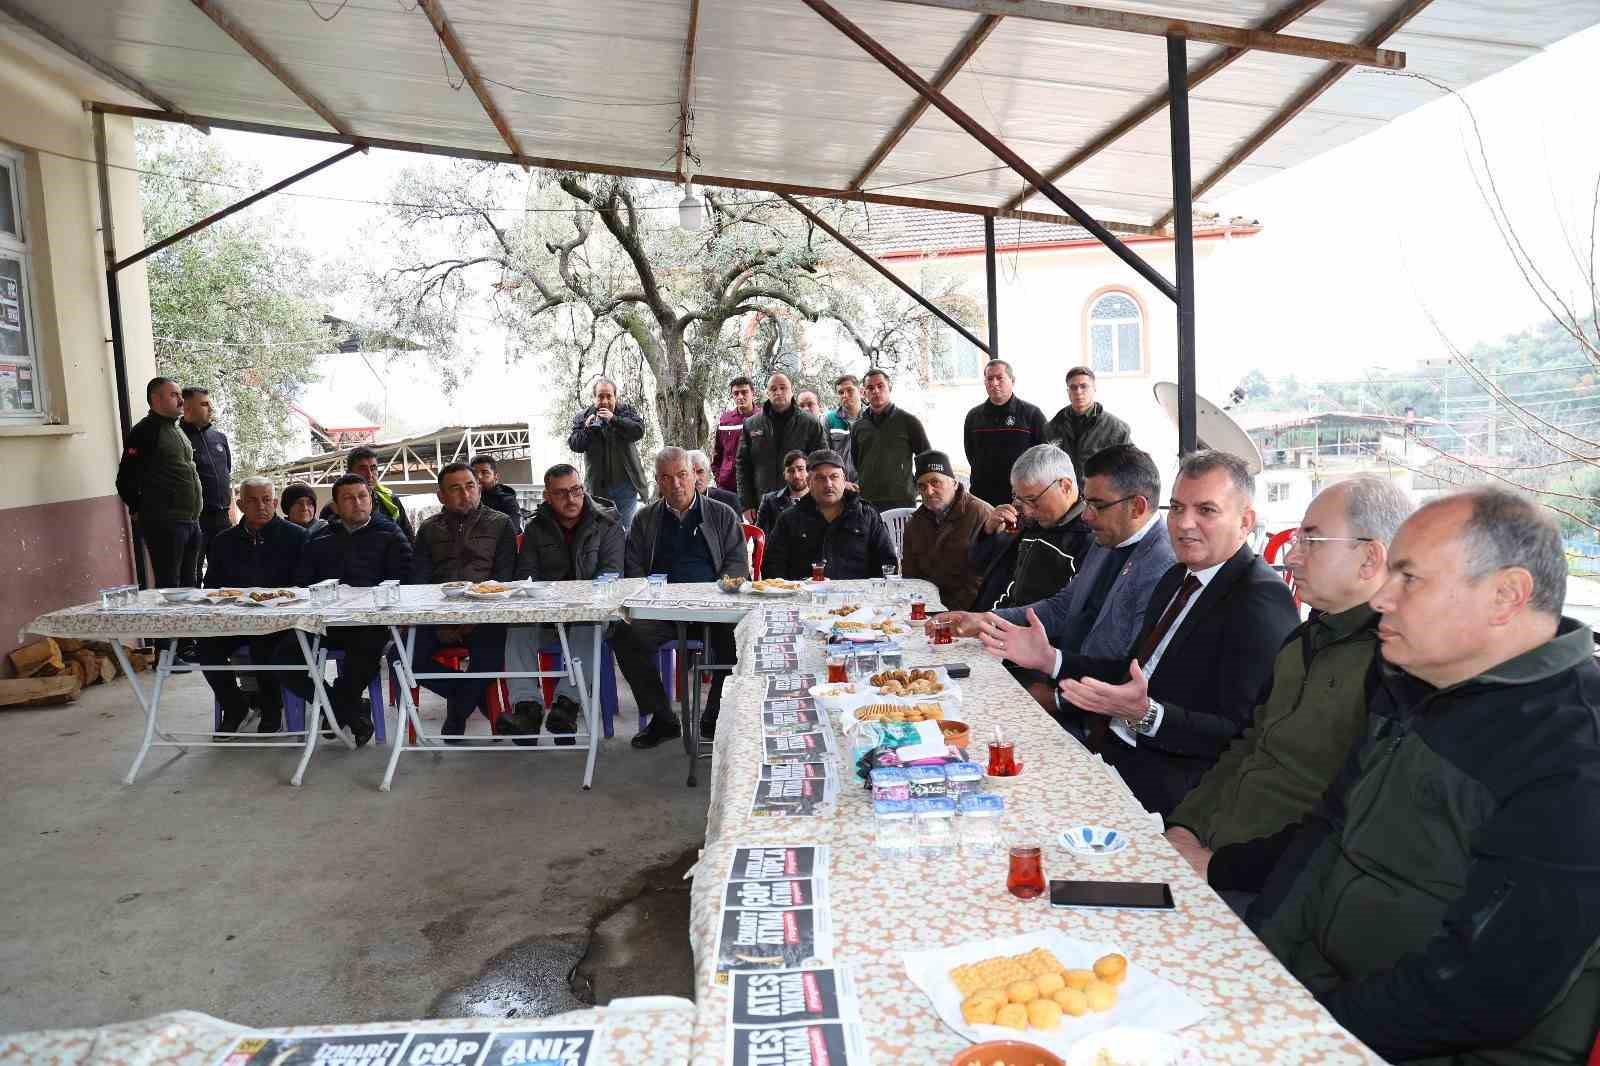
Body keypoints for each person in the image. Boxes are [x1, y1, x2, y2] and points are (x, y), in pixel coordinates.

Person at [1249, 489, 1600, 1065]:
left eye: (1409, 579)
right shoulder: (1410, 679)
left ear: (1506, 595)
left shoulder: (1572, 755)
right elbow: (1326, 836)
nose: (1382, 598)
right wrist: (1254, 965)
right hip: (1319, 996)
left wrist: (1304, 1030)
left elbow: (1485, 992)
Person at [1157, 477, 1413, 916]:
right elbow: (1248, 743)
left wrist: (1218, 868)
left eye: (1311, 541)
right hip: (1210, 852)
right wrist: (1185, 825)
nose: (1291, 557)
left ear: (1371, 557)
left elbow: (1344, 819)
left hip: (1276, 889)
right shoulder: (1304, 640)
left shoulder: (1396, 666)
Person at [1049, 450, 1300, 816]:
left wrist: (1146, 714)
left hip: (1172, 792)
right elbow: (1130, 670)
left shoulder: (1260, 597)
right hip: (1108, 756)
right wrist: (1051, 658)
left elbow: (1243, 733)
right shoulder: (1176, 578)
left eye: (1206, 511)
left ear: (1245, 522)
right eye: (1177, 508)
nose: (1184, 524)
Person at [971, 445, 1174, 711]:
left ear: (1136, 507)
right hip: (1060, 679)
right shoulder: (1107, 537)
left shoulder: (1165, 565)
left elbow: (1135, 671)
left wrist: (1058, 697)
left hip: (1091, 713)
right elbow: (1063, 606)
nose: (1087, 515)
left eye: (1097, 505)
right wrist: (986, 619)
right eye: (1087, 502)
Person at [615, 447, 749, 747]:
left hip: (713, 609)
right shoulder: (645, 519)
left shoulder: (722, 514)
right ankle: (663, 718)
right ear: (657, 482)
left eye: (682, 475)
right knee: (622, 634)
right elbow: (634, 570)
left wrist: (719, 594)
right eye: (666, 478)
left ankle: (714, 713)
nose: (676, 484)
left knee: (738, 635)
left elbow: (739, 566)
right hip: (661, 611)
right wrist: (649, 597)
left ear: (694, 475)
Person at [497, 464, 626, 746]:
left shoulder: (608, 525)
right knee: (518, 625)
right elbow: (525, 577)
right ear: (547, 496)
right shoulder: (536, 529)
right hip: (547, 615)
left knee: (587, 622)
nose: (571, 499)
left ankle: (566, 705)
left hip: (591, 614)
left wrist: (576, 601)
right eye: (561, 493)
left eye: (576, 490)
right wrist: (550, 602)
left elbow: (613, 574)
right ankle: (527, 710)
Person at [279, 474, 412, 745]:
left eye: (362, 497)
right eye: (348, 499)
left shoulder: (389, 533)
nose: (357, 503)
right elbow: (303, 582)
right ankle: (347, 709)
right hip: (325, 621)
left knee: (365, 652)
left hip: (369, 621)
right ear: (336, 507)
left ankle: (339, 708)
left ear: (371, 501)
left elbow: (405, 579)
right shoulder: (320, 538)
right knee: (283, 657)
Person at [409, 462, 517, 741]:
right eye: (455, 489)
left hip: (487, 615)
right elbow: (419, 583)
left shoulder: (501, 523)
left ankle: (457, 714)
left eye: (470, 486)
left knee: (489, 654)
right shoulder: (428, 529)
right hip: (438, 617)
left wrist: (473, 619)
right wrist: (440, 620)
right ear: (441, 496)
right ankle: (467, 695)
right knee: (403, 658)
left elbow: (505, 578)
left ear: (479, 488)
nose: (464, 494)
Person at [199, 476, 308, 736]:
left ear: (275, 502)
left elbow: (304, 584)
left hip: (280, 620)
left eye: (267, 500)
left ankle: (272, 709)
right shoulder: (224, 541)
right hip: (234, 619)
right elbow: (212, 586)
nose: (261, 506)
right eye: (253, 501)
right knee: (205, 647)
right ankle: (236, 706)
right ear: (240, 504)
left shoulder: (297, 537)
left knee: (263, 644)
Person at [965, 444, 1094, 614]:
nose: (1026, 510)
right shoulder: (1022, 522)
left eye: (1032, 500)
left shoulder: (1091, 538)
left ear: (1065, 487)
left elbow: (1066, 615)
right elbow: (977, 566)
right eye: (1017, 498)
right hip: (985, 620)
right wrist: (988, 533)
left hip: (1022, 633)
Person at [116, 376, 203, 589]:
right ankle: (171, 624)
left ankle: (190, 623)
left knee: (191, 584)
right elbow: (125, 478)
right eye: (174, 395)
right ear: (156, 399)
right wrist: (137, 508)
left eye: (180, 395)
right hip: (166, 523)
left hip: (191, 520)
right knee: (170, 587)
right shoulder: (144, 432)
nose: (181, 401)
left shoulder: (177, 429)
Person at [765, 449, 896, 581]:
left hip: (857, 598)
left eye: (834, 477)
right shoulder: (789, 519)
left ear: (844, 479)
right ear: (809, 482)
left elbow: (888, 564)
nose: (828, 484)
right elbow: (772, 568)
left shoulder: (867, 516)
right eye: (820, 478)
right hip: (804, 598)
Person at [899, 450, 993, 611]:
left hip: (971, 610)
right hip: (928, 608)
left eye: (935, 482)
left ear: (954, 483)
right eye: (922, 486)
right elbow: (910, 577)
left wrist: (952, 613)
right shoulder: (915, 523)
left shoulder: (981, 514)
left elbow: (984, 580)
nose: (929, 491)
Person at [736, 372, 826, 524]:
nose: (778, 392)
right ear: (767, 393)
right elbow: (742, 466)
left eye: (783, 388)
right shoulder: (751, 425)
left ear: (791, 391)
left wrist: (819, 497)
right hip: (764, 505)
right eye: (773, 388)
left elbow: (821, 462)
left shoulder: (810, 423)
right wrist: (746, 503)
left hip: (803, 503)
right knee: (768, 547)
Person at [567, 377, 648, 530]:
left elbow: (638, 431)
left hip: (625, 486)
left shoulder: (625, 411)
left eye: (608, 396)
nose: (604, 401)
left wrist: (614, 420)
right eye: (600, 396)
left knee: (626, 531)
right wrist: (587, 429)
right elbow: (575, 445)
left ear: (615, 397)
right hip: (598, 488)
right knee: (600, 532)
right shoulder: (584, 417)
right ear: (594, 398)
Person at [963, 360, 1046, 508]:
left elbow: (1042, 457)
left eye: (999, 378)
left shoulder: (1031, 414)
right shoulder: (974, 416)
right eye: (989, 379)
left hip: (1020, 499)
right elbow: (971, 455)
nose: (994, 383)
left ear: (1012, 380)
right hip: (983, 498)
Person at [849, 368, 930, 512]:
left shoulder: (909, 421)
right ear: (864, 393)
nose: (876, 391)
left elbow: (926, 457)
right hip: (868, 500)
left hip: (901, 498)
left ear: (889, 388)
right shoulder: (858, 426)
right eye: (870, 388)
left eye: (881, 386)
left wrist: (915, 486)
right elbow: (857, 461)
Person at [179, 385, 233, 584]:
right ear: (187, 408)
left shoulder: (219, 438)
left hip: (222, 519)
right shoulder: (179, 439)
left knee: (226, 571)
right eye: (204, 404)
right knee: (192, 575)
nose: (210, 408)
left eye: (210, 403)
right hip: (195, 519)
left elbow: (227, 474)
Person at [1046, 367, 1131, 488]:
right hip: (1064, 499)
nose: (1078, 391)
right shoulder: (1052, 428)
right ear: (1068, 391)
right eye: (1073, 387)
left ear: (1094, 389)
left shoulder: (1116, 429)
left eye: (1084, 386)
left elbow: (1128, 470)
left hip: (1099, 499)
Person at [319, 445, 416, 541]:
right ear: (349, 473)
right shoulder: (334, 508)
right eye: (362, 469)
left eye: (373, 468)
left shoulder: (391, 501)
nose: (370, 475)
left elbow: (409, 538)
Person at [712, 375, 756, 493]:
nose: (740, 397)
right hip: (727, 486)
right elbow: (718, 453)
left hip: (754, 486)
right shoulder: (725, 420)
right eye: (736, 393)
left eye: (744, 392)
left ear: (753, 393)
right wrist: (719, 478)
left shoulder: (763, 418)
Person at [756, 450, 809, 534]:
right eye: (791, 471)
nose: (796, 476)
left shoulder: (820, 500)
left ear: (808, 472)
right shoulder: (769, 501)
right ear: (784, 475)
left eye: (800, 469)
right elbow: (760, 537)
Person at [825, 373, 863, 476]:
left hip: (868, 484)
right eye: (841, 392)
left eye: (850, 390)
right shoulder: (829, 419)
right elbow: (825, 456)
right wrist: (841, 481)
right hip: (840, 484)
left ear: (861, 392)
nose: (845, 395)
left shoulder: (871, 418)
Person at [688, 448, 742, 514]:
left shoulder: (730, 501)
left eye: (700, 472)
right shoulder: (677, 504)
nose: (696, 478)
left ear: (708, 473)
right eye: (691, 473)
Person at [470, 454, 521, 523]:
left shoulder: (507, 502)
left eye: (484, 473)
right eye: (474, 473)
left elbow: (511, 530)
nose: (479, 477)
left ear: (496, 476)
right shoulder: (466, 498)